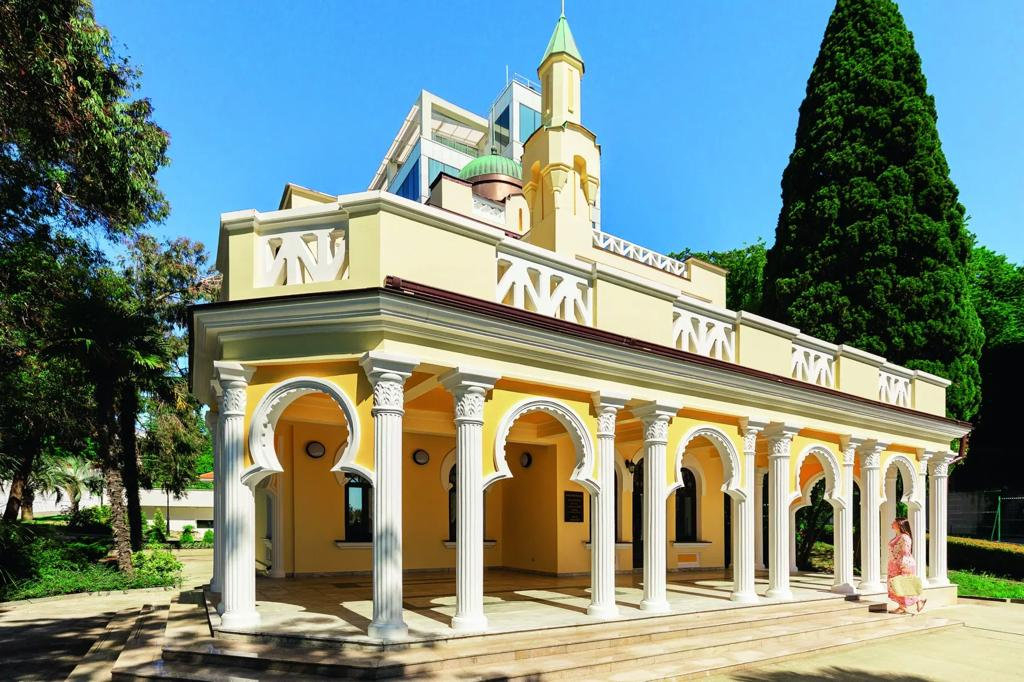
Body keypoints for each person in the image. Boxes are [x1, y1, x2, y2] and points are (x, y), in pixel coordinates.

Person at [887, 517, 926, 614]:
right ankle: (906, 605)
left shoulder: (904, 537)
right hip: (895, 564)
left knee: (903, 585)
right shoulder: (898, 536)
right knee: (897, 585)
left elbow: (905, 552)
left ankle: (907, 605)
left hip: (903, 564)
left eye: (894, 522)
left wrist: (903, 566)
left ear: (899, 524)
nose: (892, 523)